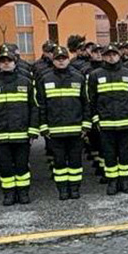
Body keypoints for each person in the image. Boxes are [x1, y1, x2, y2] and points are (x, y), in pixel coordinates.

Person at [0, 51, 38, 206]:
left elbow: (34, 108)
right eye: (3, 61)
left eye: (9, 61)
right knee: (5, 167)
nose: (6, 63)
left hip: (21, 135)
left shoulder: (25, 82)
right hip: (0, 136)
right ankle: (9, 194)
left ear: (15, 62)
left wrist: (33, 130)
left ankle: (23, 193)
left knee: (22, 165)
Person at [87, 45, 128, 194]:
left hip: (126, 122)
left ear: (119, 56)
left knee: (125, 154)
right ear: (103, 57)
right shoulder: (95, 75)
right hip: (106, 123)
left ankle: (125, 182)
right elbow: (92, 99)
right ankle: (112, 182)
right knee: (109, 154)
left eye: (114, 54)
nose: (111, 57)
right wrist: (96, 119)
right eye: (108, 55)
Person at [36, 46, 87, 200]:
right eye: (58, 59)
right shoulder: (45, 78)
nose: (61, 61)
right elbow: (41, 105)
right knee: (59, 162)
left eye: (63, 58)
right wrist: (44, 127)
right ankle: (63, 189)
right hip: (55, 130)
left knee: (75, 161)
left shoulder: (78, 78)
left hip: (75, 129)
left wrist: (85, 125)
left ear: (67, 59)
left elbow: (86, 103)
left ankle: (75, 188)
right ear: (53, 60)